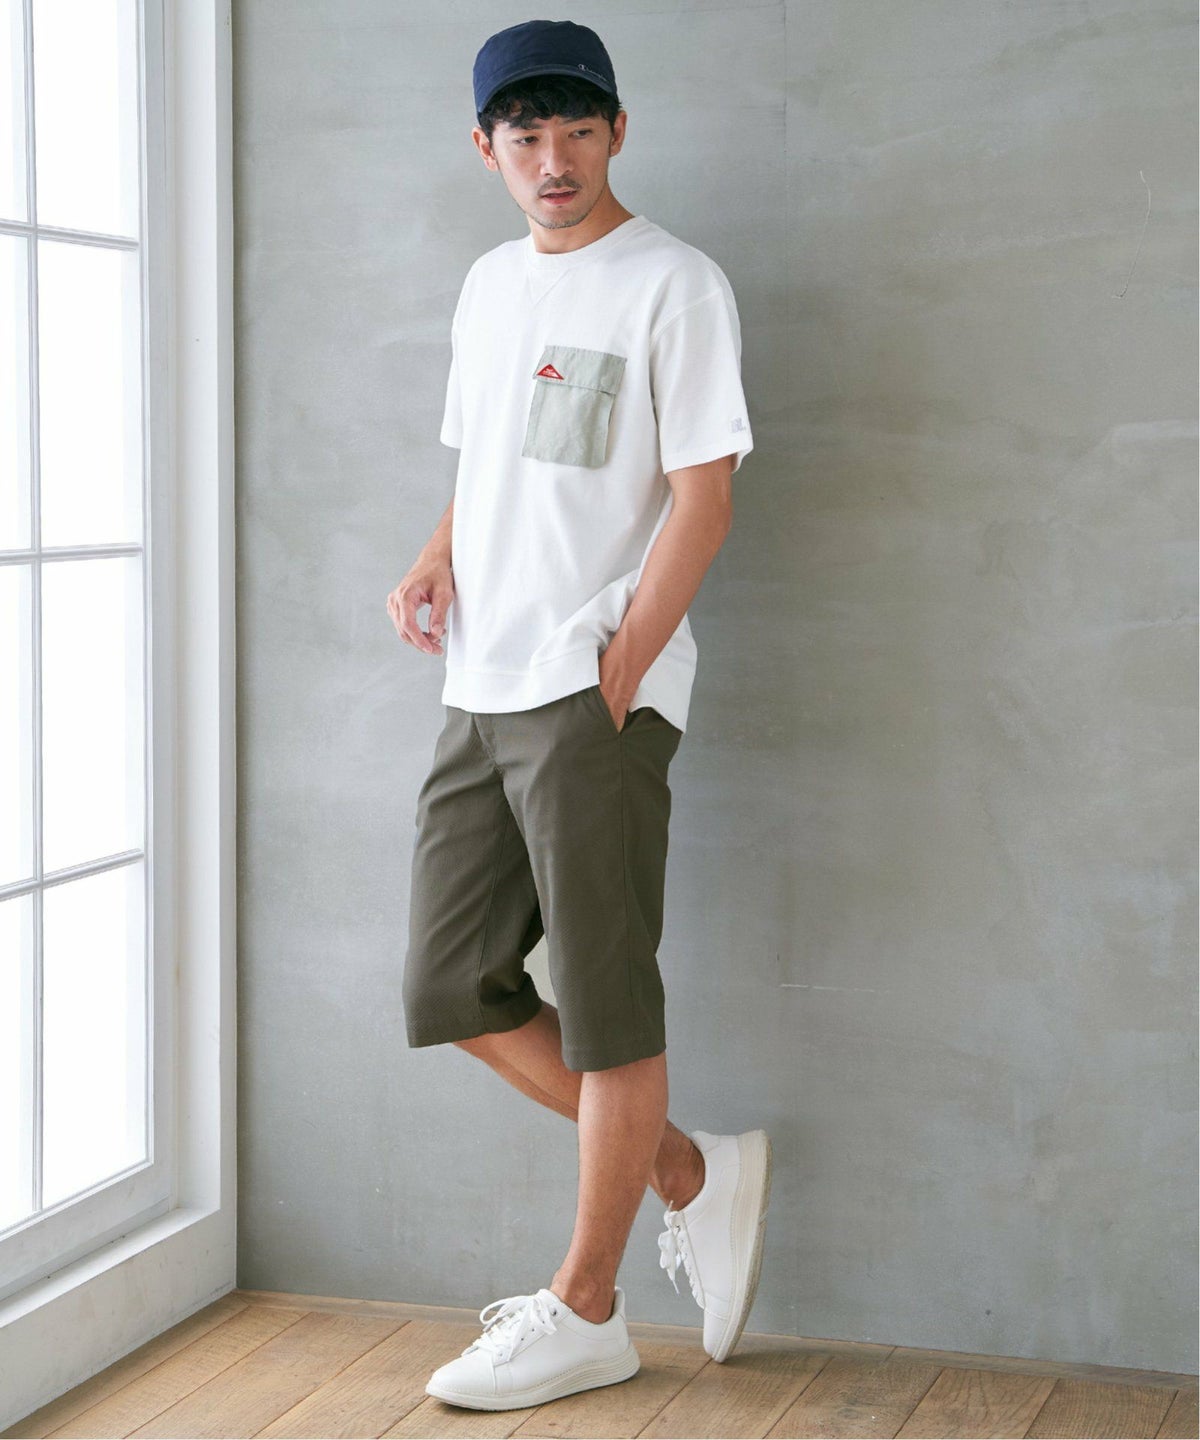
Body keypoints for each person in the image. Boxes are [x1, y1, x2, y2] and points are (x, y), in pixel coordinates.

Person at [386, 18, 773, 1412]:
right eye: (525, 136)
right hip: (479, 680)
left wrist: (621, 668)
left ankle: (590, 1307)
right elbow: (488, 460)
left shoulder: (674, 284)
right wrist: (438, 555)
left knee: (609, 1005)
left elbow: (705, 497)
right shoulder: (491, 285)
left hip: (589, 688)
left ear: (616, 132)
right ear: (485, 147)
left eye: (577, 131)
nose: (553, 160)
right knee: (451, 987)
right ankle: (689, 1170)